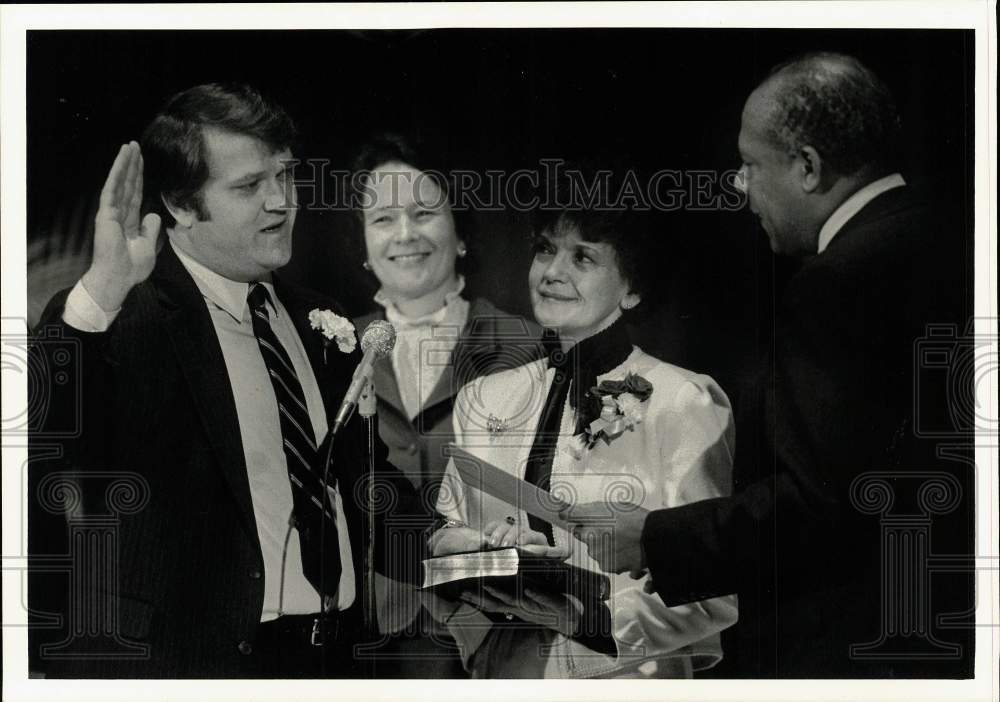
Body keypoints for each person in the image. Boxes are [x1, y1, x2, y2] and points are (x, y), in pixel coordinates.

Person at [564, 53, 974, 677]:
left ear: (807, 167)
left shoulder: (837, 284)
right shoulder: (954, 239)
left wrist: (651, 537)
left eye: (750, 165)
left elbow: (821, 507)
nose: (738, 185)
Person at [28, 84, 431, 678]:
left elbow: (364, 483)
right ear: (181, 205)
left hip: (331, 660)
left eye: (285, 176)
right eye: (248, 187)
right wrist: (101, 294)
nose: (281, 203)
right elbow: (40, 446)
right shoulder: (118, 315)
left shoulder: (322, 321)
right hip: (184, 667)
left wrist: (444, 544)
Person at [429, 183, 739, 678]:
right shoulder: (483, 397)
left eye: (583, 258)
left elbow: (710, 593)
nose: (553, 272)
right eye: (546, 249)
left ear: (631, 288)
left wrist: (586, 619)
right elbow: (448, 539)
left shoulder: (683, 400)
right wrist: (461, 566)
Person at [349, 133, 543, 677]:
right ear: (363, 248)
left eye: (425, 212)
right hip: (364, 631)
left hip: (494, 627)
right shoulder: (334, 348)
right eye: (383, 219)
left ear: (460, 233)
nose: (406, 234)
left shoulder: (522, 344)